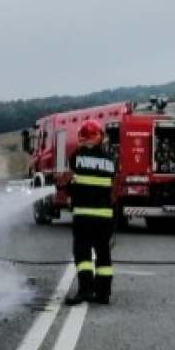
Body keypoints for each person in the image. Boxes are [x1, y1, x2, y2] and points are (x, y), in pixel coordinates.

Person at [65, 119, 116, 305]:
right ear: (100, 137)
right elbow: (112, 187)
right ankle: (103, 294)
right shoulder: (110, 160)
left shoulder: (76, 157)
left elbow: (71, 182)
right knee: (103, 254)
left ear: (81, 138)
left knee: (83, 254)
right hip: (104, 217)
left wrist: (67, 187)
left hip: (84, 216)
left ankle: (85, 290)